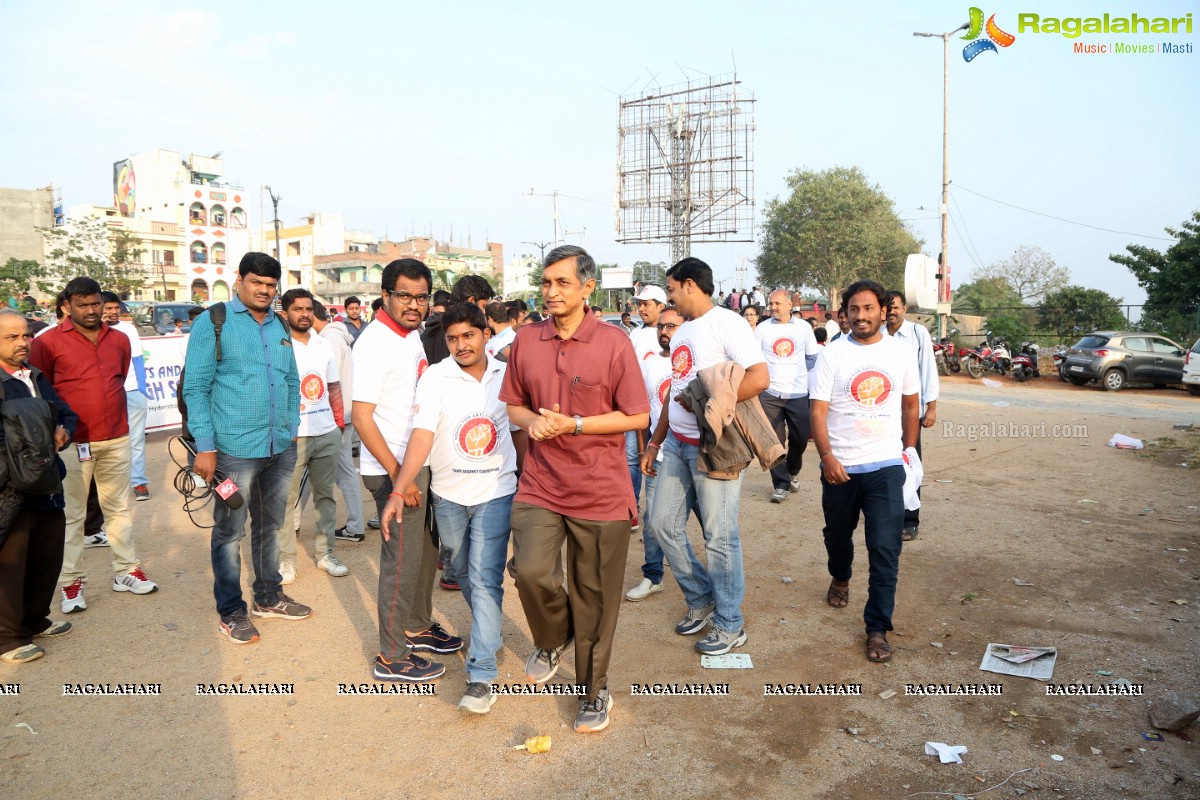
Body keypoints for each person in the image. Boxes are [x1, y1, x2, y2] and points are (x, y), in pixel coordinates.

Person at [500, 244, 649, 733]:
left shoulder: (614, 343)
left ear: (588, 287)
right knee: (530, 570)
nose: (551, 292)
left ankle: (593, 689)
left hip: (601, 491)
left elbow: (638, 415)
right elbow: (515, 406)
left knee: (595, 598)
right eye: (546, 282)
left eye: (562, 282)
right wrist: (534, 423)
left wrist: (577, 424)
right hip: (541, 483)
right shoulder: (527, 339)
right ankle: (554, 635)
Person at [379, 302, 521, 713]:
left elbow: (517, 431)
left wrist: (528, 482)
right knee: (464, 572)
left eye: (468, 336)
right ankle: (489, 639)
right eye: (453, 338)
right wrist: (397, 490)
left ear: (485, 335)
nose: (460, 345)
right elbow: (421, 437)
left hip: (496, 492)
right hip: (449, 496)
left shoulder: (506, 375)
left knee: (483, 577)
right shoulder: (436, 377)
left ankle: (480, 675)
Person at [184, 253, 311, 644]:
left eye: (271, 285)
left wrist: (290, 428)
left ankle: (269, 597)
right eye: (257, 282)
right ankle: (231, 611)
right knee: (229, 531)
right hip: (232, 452)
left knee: (271, 526)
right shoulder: (214, 322)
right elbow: (195, 388)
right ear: (239, 279)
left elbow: (291, 381)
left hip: (279, 446)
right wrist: (205, 447)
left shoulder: (279, 325)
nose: (265, 291)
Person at [643, 258, 767, 656]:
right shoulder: (684, 331)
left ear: (691, 285)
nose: (670, 296)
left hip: (715, 446)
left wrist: (714, 407)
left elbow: (759, 377)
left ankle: (731, 625)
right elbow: (674, 391)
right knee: (662, 524)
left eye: (673, 288)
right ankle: (701, 599)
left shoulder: (727, 323)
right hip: (677, 444)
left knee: (720, 537)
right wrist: (655, 442)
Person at [352, 258, 463, 682]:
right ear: (386, 296)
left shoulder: (408, 335)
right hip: (394, 470)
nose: (414, 305)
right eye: (405, 296)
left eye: (421, 297)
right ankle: (391, 655)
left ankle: (416, 626)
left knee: (424, 552)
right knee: (400, 561)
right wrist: (402, 477)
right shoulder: (374, 342)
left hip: (416, 464)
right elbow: (362, 418)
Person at [31, 277, 157, 613]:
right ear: (67, 305)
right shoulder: (48, 343)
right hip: (72, 443)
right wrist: (56, 427)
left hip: (115, 436)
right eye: (83, 305)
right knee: (72, 516)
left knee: (117, 510)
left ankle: (126, 572)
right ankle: (71, 584)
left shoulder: (119, 339)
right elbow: (41, 392)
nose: (91, 310)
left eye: (95, 303)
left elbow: (117, 378)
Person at [809, 280, 919, 663]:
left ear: (884, 310)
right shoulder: (832, 354)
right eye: (854, 309)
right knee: (837, 536)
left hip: (886, 466)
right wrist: (826, 457)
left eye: (869, 308)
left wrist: (907, 450)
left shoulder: (902, 353)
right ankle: (840, 575)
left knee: (885, 549)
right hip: (840, 466)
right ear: (846, 313)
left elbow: (910, 404)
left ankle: (876, 628)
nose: (861, 316)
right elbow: (818, 410)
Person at [0, 310, 77, 663]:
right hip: (10, 488)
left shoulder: (36, 376)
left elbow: (66, 412)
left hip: (47, 481)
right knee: (11, 563)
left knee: (47, 555)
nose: (22, 343)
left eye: (26, 336)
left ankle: (34, 620)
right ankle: (8, 639)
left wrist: (63, 429)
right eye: (11, 337)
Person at [278, 289, 348, 584]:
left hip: (325, 433)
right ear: (285, 313)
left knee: (325, 498)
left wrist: (338, 424)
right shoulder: (279, 345)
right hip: (293, 437)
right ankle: (285, 561)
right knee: (286, 501)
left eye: (308, 309)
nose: (304, 314)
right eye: (298, 309)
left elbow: (333, 386)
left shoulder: (323, 344)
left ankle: (325, 554)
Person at [624, 306, 683, 602]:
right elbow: (643, 411)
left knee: (709, 526)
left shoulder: (695, 362)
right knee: (652, 521)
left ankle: (714, 580)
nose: (664, 331)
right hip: (659, 453)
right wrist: (643, 446)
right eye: (662, 326)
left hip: (694, 455)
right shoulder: (649, 365)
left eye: (671, 326)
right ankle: (653, 575)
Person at [304, 301, 365, 544]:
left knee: (314, 469)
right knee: (334, 470)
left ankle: (354, 525)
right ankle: (355, 524)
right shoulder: (338, 336)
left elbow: (327, 382)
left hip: (333, 416)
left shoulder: (327, 340)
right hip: (343, 413)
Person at [756, 289, 821, 503]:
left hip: (798, 393)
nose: (772, 307)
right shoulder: (762, 329)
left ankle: (793, 469)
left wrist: (800, 376)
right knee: (774, 442)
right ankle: (780, 484)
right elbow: (755, 359)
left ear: (788, 305)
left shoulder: (803, 328)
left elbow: (812, 357)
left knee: (800, 438)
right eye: (770, 303)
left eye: (777, 303)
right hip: (770, 394)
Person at [885, 290, 938, 542]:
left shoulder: (918, 334)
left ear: (904, 308)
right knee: (883, 463)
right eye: (887, 307)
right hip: (881, 414)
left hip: (909, 413)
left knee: (909, 462)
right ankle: (887, 514)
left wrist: (932, 407)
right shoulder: (877, 336)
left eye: (895, 306)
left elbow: (928, 370)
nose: (891, 311)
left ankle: (910, 519)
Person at [100, 293, 150, 501]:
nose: (112, 312)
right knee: (105, 442)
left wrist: (141, 390)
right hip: (103, 395)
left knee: (136, 440)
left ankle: (138, 482)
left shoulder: (128, 329)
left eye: (115, 308)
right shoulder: (91, 330)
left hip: (131, 392)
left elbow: (138, 360)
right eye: (107, 308)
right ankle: (108, 487)